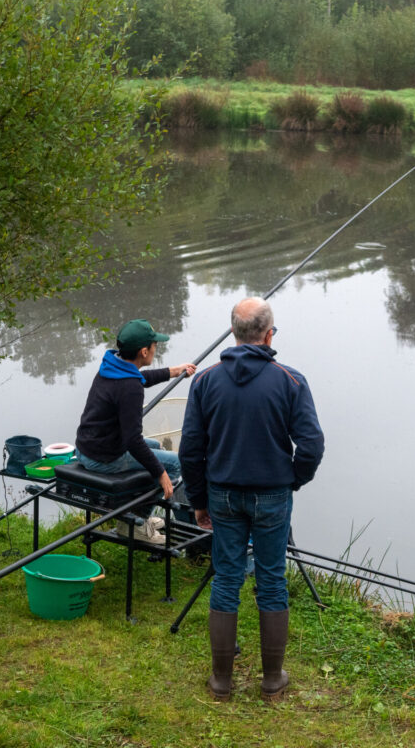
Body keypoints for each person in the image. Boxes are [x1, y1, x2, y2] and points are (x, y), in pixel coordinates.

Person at [180, 297, 324, 702]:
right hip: (272, 494)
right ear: (268, 334)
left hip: (222, 494)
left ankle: (221, 682)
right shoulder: (290, 380)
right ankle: (272, 680)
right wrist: (292, 480)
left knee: (226, 578)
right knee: (272, 580)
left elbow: (191, 449)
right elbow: (311, 445)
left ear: (233, 333)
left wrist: (200, 499)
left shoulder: (205, 381)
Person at [75, 319, 196, 514]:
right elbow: (133, 440)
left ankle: (138, 504)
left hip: (87, 447)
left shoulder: (111, 366)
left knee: (155, 447)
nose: (157, 348)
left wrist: (174, 371)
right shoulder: (130, 388)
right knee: (175, 463)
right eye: (155, 345)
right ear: (144, 352)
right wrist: (161, 472)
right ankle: (142, 522)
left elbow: (139, 379)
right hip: (105, 458)